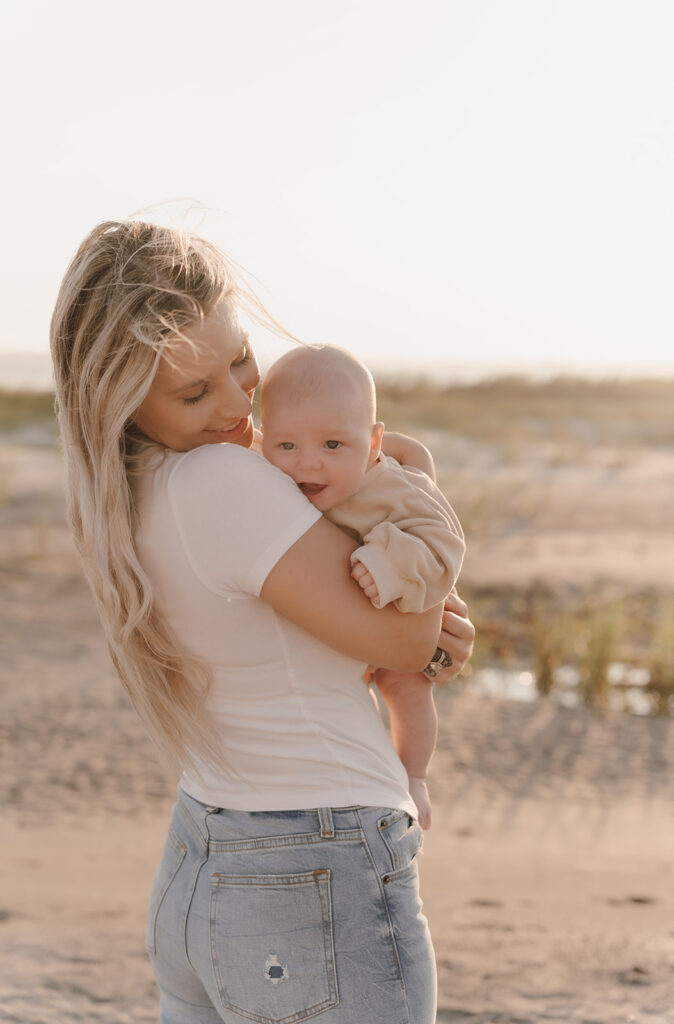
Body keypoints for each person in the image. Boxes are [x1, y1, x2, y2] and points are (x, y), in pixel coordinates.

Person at [50, 219, 475, 1024]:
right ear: (121, 396)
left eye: (239, 361)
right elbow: (408, 638)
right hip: (310, 862)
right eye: (192, 391)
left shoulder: (138, 491)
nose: (236, 400)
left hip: (207, 853)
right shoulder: (224, 484)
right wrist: (430, 620)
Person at [259, 344, 465, 829]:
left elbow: (445, 548)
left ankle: (414, 776)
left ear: (373, 445)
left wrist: (389, 562)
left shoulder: (395, 489)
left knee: (407, 690)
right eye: (287, 447)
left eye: (333, 446)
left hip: (401, 604)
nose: (308, 465)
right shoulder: (260, 474)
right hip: (339, 630)